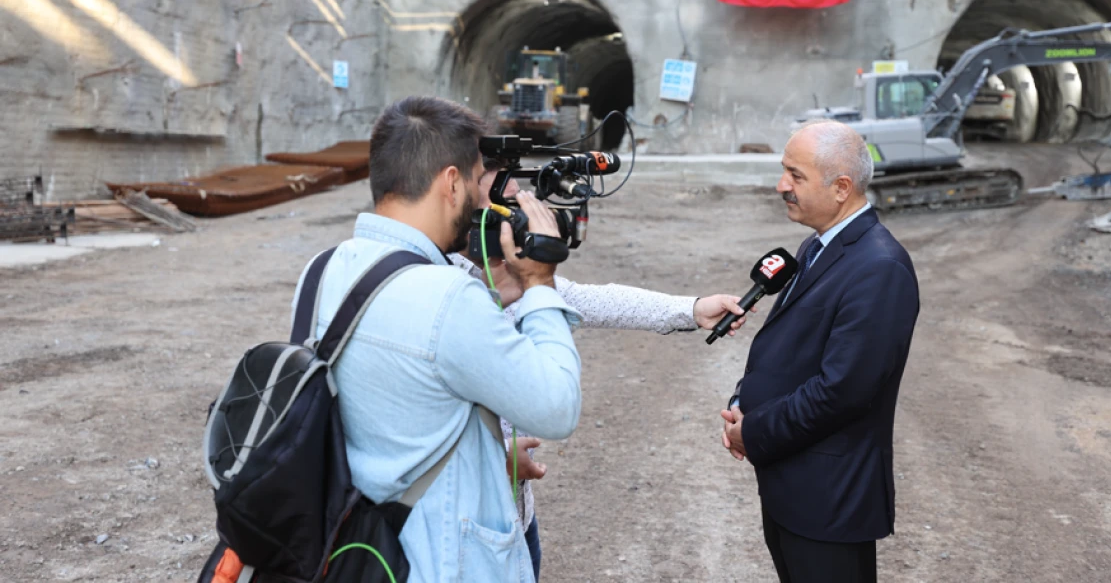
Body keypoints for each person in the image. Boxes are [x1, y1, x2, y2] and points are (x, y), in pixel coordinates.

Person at [291, 96, 581, 582]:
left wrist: (487, 454)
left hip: (351, 547)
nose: (483, 201)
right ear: (450, 182)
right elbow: (557, 407)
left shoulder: (320, 271)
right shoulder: (450, 297)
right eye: (475, 181)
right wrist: (539, 286)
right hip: (436, 560)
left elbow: (384, 404)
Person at [450, 159, 751, 580]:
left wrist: (691, 308)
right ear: (458, 196)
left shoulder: (517, 279)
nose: (517, 205)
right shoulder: (440, 295)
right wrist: (492, 460)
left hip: (518, 518)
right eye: (501, 194)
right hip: (462, 531)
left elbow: (598, 300)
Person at [720, 120, 920, 583]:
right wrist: (740, 404)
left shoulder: (880, 267)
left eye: (796, 175)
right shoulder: (817, 245)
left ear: (841, 188)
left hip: (829, 502)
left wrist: (754, 432)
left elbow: (843, 391)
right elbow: (788, 350)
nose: (781, 185)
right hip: (794, 488)